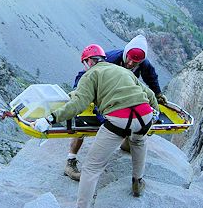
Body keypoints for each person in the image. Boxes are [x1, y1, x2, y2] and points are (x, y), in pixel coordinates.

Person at [32, 44, 158, 208]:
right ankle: (138, 183)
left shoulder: (90, 74)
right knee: (138, 141)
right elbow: (149, 94)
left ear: (89, 61)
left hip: (119, 120)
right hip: (145, 115)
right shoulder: (121, 70)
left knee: (92, 168)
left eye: (85, 63)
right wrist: (154, 112)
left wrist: (51, 119)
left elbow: (79, 104)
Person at [64, 34, 167, 181]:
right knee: (82, 120)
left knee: (127, 121)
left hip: (124, 101)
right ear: (125, 54)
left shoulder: (143, 63)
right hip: (102, 98)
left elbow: (151, 77)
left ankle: (126, 142)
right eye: (129, 59)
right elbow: (84, 74)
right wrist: (77, 93)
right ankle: (71, 160)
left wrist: (158, 94)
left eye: (135, 62)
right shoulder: (110, 58)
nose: (131, 64)